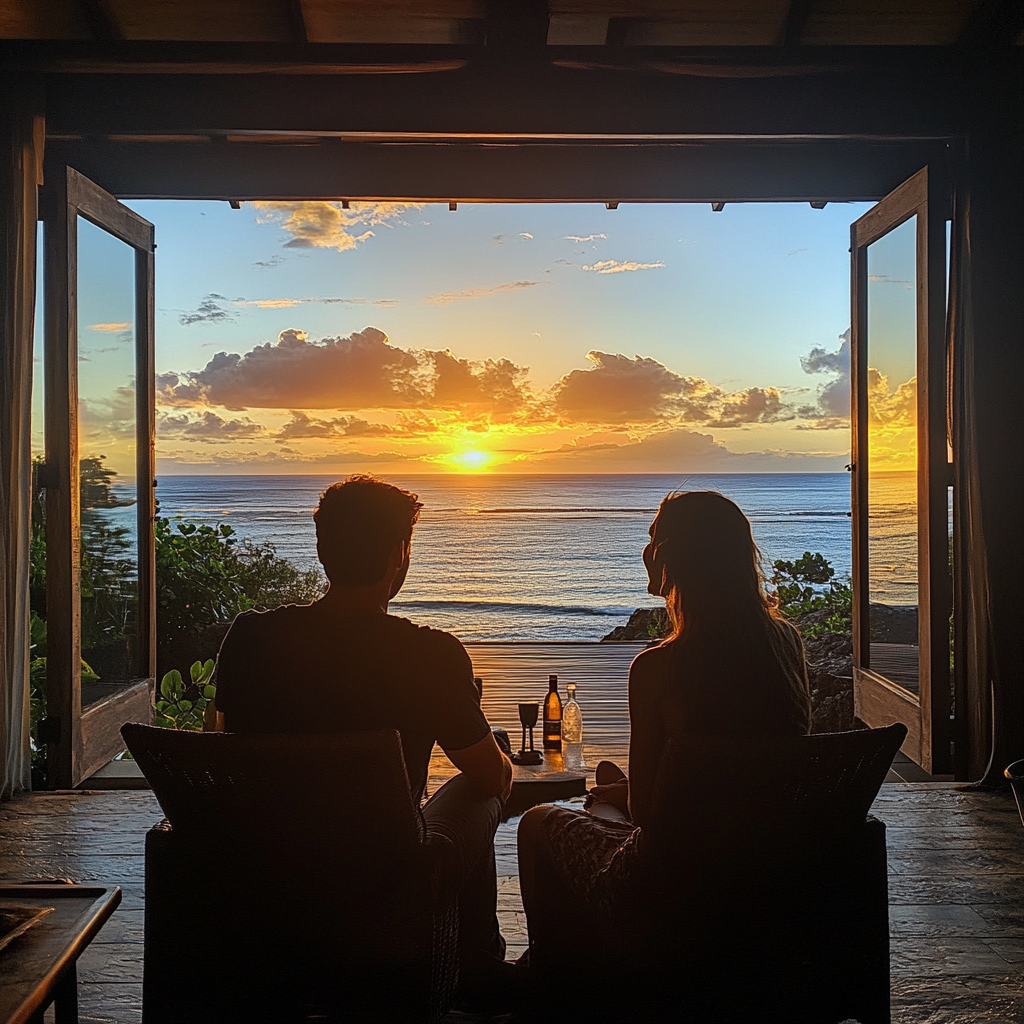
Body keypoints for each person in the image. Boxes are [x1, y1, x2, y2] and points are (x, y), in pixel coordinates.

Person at [213, 475, 513, 995]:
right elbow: (490, 777)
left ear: (322, 547)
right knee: (490, 781)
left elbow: (215, 750)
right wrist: (500, 757)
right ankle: (476, 968)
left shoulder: (251, 637)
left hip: (265, 873)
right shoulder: (430, 655)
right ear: (400, 553)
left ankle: (473, 965)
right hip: (388, 879)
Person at [516, 490, 811, 971]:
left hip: (670, 880)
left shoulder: (658, 669)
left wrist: (622, 799)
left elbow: (649, 814)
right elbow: (771, 760)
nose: (646, 548)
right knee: (613, 784)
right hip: (763, 866)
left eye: (653, 538)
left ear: (670, 554)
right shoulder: (785, 644)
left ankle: (556, 980)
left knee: (538, 822)